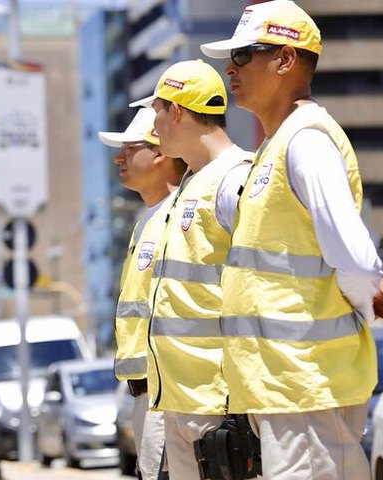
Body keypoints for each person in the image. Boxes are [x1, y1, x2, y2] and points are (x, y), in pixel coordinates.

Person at [200, 1, 383, 477]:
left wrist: (374, 298)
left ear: (285, 60)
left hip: (307, 387)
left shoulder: (307, 141)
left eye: (244, 55)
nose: (230, 69)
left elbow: (357, 258)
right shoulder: (276, 147)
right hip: (287, 389)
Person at [128, 59, 253, 479]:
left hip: (218, 400)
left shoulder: (236, 179)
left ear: (177, 111)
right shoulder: (190, 185)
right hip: (180, 398)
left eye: (157, 112)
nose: (154, 125)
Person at [98, 107, 187, 479]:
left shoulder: (182, 213)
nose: (119, 157)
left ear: (161, 153)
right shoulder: (149, 219)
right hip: (150, 394)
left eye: (130, 147)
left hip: (173, 392)